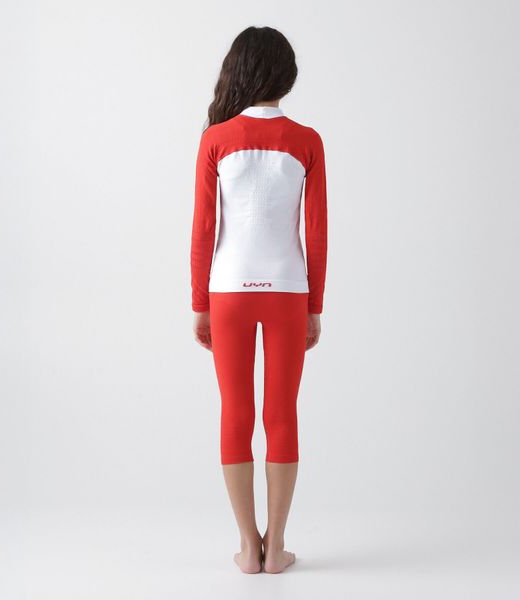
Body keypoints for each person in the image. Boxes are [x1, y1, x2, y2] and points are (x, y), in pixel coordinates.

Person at [190, 26, 328, 574]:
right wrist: (315, 306)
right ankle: (278, 548)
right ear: (286, 76)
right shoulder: (307, 140)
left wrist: (199, 303)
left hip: (227, 291)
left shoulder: (216, 139)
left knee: (235, 411)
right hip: (288, 290)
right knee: (282, 413)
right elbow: (316, 232)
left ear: (240, 71)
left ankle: (249, 546)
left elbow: (204, 230)